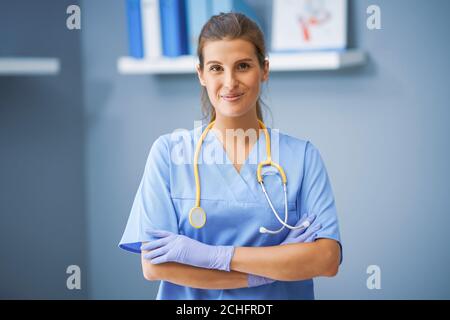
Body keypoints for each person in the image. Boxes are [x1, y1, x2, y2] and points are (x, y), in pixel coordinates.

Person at [119, 12, 342, 300]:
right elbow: (154, 267)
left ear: (264, 70)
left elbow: (325, 260)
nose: (229, 82)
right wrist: (262, 272)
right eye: (215, 68)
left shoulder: (302, 157)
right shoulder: (169, 154)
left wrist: (214, 256)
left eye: (243, 66)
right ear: (201, 74)